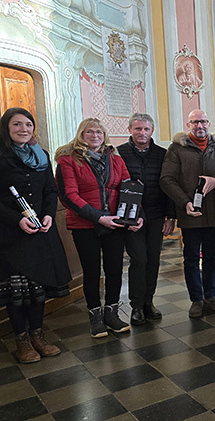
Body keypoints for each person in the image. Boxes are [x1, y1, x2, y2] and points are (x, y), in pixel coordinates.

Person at [0, 108, 71, 362]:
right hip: (11, 235)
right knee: (18, 291)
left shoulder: (41, 155)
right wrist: (17, 220)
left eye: (28, 124)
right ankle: (22, 340)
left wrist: (49, 214)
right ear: (7, 128)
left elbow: (50, 191)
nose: (23, 129)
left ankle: (38, 336)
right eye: (16, 124)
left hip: (41, 231)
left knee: (38, 286)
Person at [55, 118, 135, 337]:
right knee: (91, 272)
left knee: (114, 269)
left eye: (99, 132)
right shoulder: (68, 160)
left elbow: (128, 189)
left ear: (104, 135)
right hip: (84, 225)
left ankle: (111, 313)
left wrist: (133, 216)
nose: (95, 135)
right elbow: (69, 196)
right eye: (89, 131)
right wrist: (100, 218)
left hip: (115, 224)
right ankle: (95, 316)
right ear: (81, 134)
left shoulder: (115, 160)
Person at [160, 109, 215, 318]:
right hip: (190, 213)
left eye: (203, 122)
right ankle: (196, 299)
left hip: (214, 212)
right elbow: (166, 179)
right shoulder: (177, 149)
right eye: (195, 122)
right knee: (191, 258)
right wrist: (185, 202)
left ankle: (211, 295)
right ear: (188, 125)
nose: (200, 126)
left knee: (210, 257)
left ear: (209, 124)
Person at [117, 113, 176, 326]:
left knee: (153, 260)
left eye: (146, 129)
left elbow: (168, 185)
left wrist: (171, 217)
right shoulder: (119, 153)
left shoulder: (162, 153)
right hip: (131, 216)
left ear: (152, 131)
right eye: (138, 129)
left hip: (157, 214)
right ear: (130, 130)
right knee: (138, 259)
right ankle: (136, 306)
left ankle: (148, 302)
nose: (142, 133)